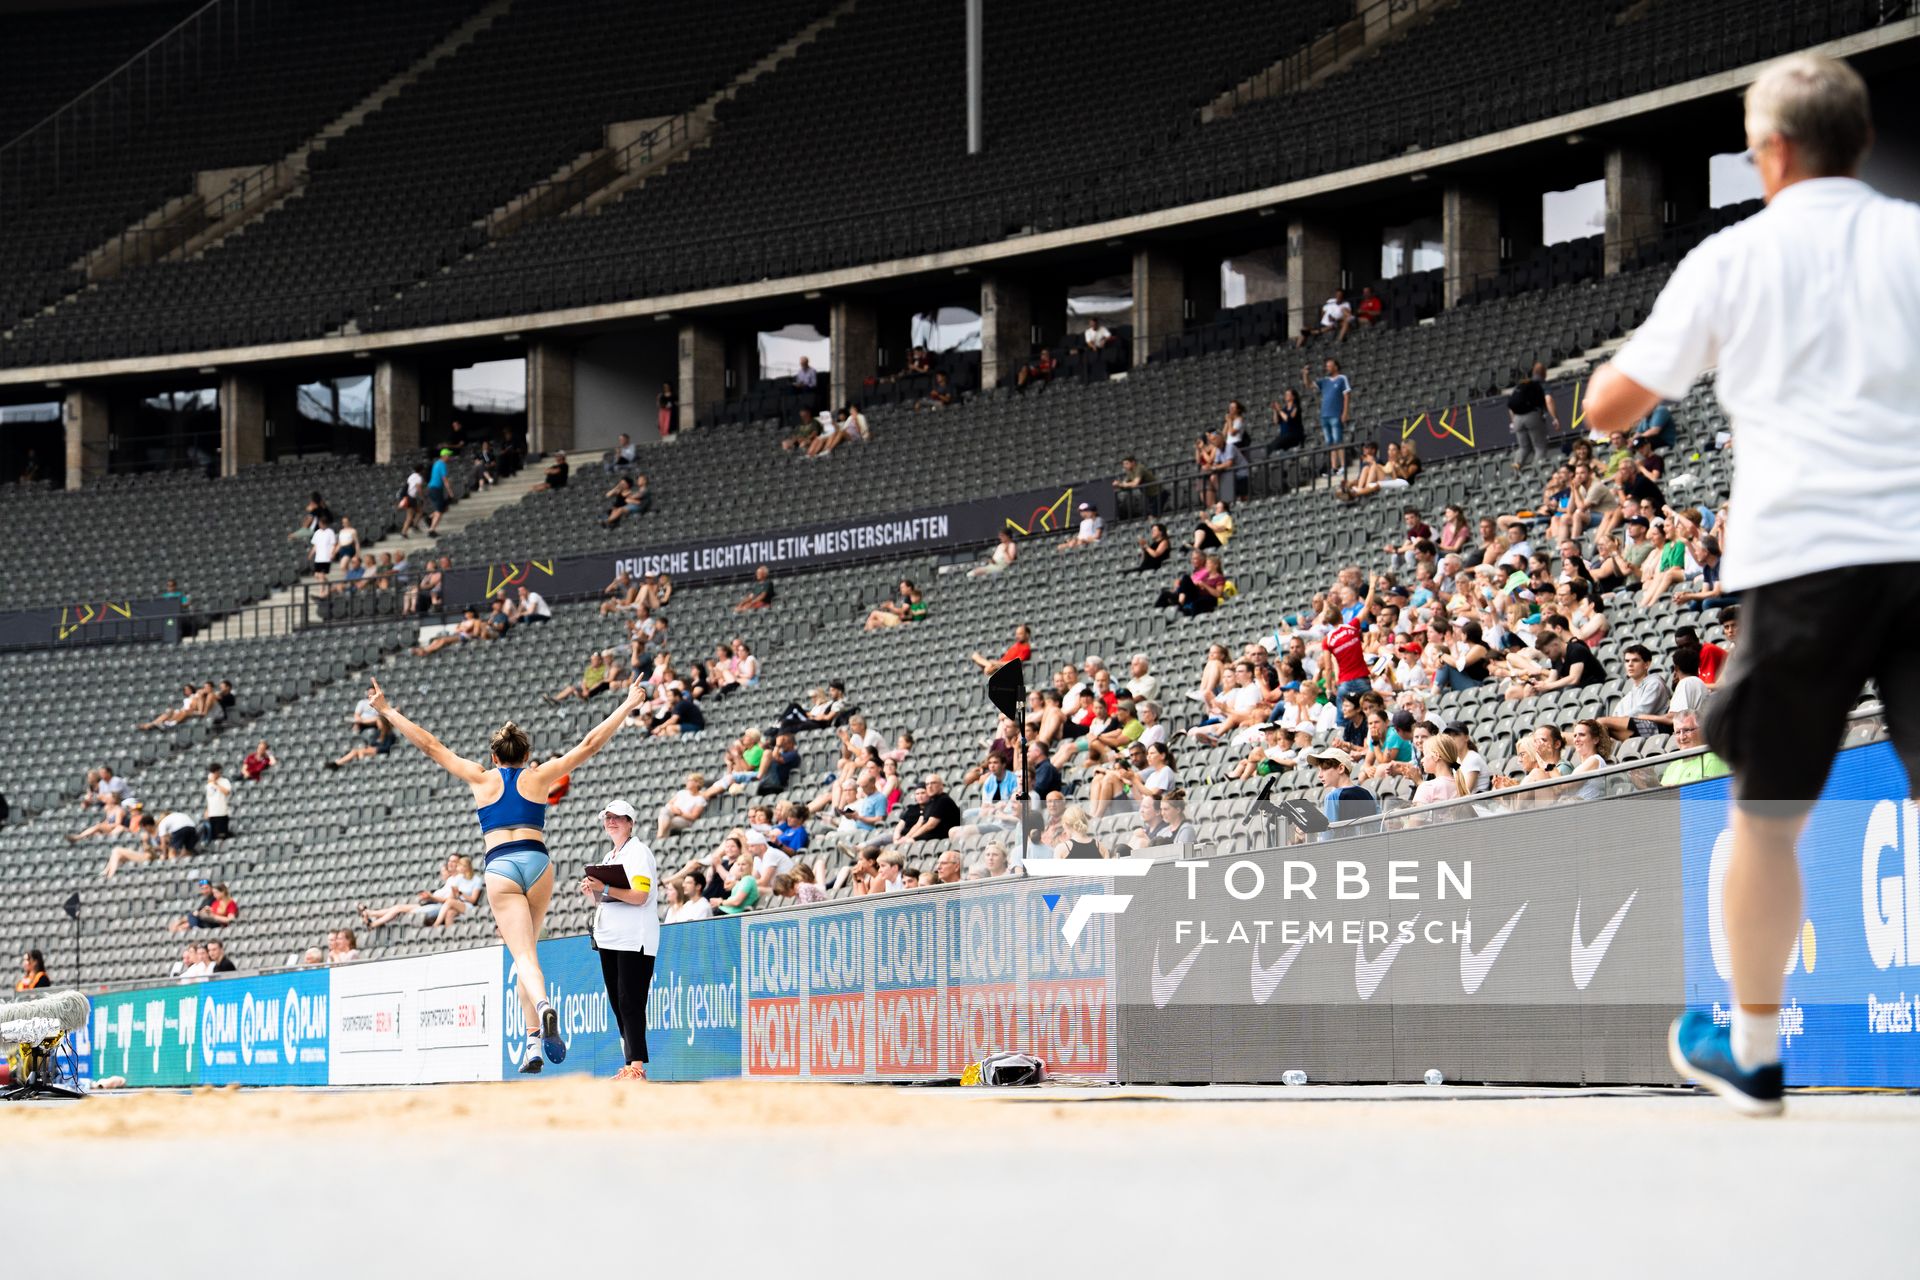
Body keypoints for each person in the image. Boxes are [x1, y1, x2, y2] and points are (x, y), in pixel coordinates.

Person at [1583, 54, 1920, 1115]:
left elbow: (1609, 409)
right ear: (1860, 143)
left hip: (1803, 563)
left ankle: (1759, 1054)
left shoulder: (1733, 258)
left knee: (1767, 814)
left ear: (1771, 151)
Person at [367, 675, 647, 1073]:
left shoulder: (481, 777)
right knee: (524, 954)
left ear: (495, 757)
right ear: (525, 754)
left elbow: (430, 745)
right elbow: (589, 744)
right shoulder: (538, 776)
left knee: (525, 959)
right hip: (538, 863)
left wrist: (387, 709)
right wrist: (627, 703)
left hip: (501, 866)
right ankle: (533, 1044)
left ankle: (546, 1005)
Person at [580, 799, 658, 1081]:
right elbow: (608, 899)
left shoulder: (638, 852)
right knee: (618, 1001)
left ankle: (636, 1066)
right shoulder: (610, 856)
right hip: (611, 937)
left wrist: (605, 887)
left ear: (630, 823)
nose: (611, 822)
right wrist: (594, 892)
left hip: (633, 938)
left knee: (630, 1001)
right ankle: (630, 1064)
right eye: (608, 817)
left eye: (618, 818)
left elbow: (640, 896)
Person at [360, 856, 484, 929]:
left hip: (439, 905)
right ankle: (371, 914)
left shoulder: (461, 880)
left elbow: (452, 899)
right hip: (433, 902)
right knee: (398, 908)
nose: (453, 866)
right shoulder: (453, 880)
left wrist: (432, 897)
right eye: (451, 863)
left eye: (456, 864)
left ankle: (373, 921)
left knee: (400, 910)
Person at [1506, 361, 1561, 470]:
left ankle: (1517, 464)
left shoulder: (1522, 384)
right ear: (1544, 373)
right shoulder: (1542, 384)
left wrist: (1513, 421)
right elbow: (1548, 400)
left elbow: (1510, 405)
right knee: (1540, 447)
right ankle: (1536, 470)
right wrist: (1554, 418)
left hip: (1517, 418)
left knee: (1524, 447)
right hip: (1533, 416)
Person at [1303, 357, 1352, 472]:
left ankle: (1343, 466)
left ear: (1336, 367)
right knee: (1329, 442)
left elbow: (1347, 396)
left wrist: (1345, 412)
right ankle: (1334, 467)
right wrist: (1305, 374)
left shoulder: (1342, 378)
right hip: (1324, 415)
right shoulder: (1324, 381)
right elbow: (1309, 385)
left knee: (1338, 441)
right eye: (1327, 366)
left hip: (1336, 414)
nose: (1327, 368)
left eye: (1329, 366)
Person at [202, 762, 233, 841]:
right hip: (212, 813)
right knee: (214, 836)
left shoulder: (224, 781)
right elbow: (209, 797)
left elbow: (226, 792)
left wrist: (216, 784)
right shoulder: (209, 784)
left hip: (221, 812)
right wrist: (207, 810)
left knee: (222, 836)